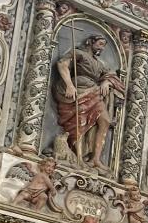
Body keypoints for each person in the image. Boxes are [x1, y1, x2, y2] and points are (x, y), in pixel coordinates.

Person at [51, 34, 125, 167]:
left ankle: (95, 159)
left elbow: (112, 75)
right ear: (90, 42)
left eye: (103, 46)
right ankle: (79, 157)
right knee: (80, 123)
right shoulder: (79, 53)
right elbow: (62, 64)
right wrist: (69, 85)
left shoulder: (99, 63)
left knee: (105, 121)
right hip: (79, 90)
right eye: (100, 44)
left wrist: (107, 82)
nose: (102, 48)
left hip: (94, 92)